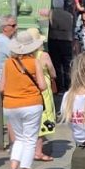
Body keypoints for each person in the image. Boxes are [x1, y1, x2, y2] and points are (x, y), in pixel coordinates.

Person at [0, 30, 47, 169]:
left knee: (19, 139)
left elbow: (1, 87)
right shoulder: (35, 62)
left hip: (11, 104)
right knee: (29, 141)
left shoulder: (8, 63)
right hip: (31, 104)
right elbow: (42, 85)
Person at [27, 28, 57, 162]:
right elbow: (53, 73)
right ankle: (38, 152)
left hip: (29, 88)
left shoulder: (24, 55)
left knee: (31, 120)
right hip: (43, 89)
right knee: (43, 119)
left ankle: (30, 150)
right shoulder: (43, 55)